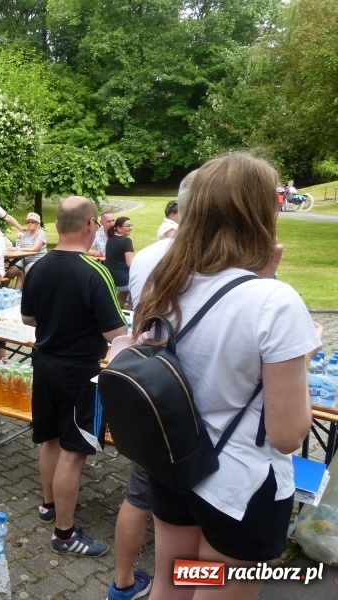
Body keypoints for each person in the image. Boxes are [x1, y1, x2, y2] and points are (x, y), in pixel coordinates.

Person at [135, 153, 321, 600]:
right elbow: (288, 434)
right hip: (240, 483)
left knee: (172, 584)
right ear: (260, 211)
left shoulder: (166, 281)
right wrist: (302, 351)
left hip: (175, 464)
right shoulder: (274, 302)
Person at [105, 171, 197, 600]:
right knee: (192, 530)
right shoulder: (223, 266)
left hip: (152, 390)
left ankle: (123, 582)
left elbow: (141, 319)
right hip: (192, 413)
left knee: (140, 495)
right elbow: (291, 431)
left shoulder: (147, 254)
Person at [21, 196, 127, 558]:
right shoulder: (95, 271)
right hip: (82, 375)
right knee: (74, 453)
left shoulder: (37, 267)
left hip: (45, 366)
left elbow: (28, 319)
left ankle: (49, 505)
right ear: (90, 224)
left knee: (50, 440)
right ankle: (64, 534)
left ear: (56, 226)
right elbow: (117, 333)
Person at [4, 211, 47, 289]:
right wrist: (19, 239)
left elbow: (35, 249)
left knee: (23, 273)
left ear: (38, 223)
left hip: (37, 260)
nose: (30, 223)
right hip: (24, 259)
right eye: (28, 222)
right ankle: (1, 291)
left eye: (33, 222)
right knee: (9, 273)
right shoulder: (25, 233)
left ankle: (17, 293)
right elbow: (19, 248)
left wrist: (16, 248)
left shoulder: (41, 233)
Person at [104, 217, 134, 307]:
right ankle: (130, 312)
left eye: (131, 225)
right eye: (128, 226)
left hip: (111, 278)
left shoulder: (110, 239)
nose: (131, 228)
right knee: (138, 286)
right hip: (123, 281)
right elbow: (130, 263)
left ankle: (116, 309)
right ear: (119, 228)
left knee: (124, 292)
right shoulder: (126, 241)